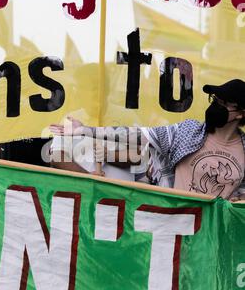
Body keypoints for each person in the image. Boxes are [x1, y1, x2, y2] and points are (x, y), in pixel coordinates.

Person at [49, 79, 245, 201]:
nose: (216, 106)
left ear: (240, 114)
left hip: (209, 236)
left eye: (223, 104)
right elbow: (136, 135)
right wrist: (85, 130)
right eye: (214, 100)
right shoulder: (189, 131)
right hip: (168, 221)